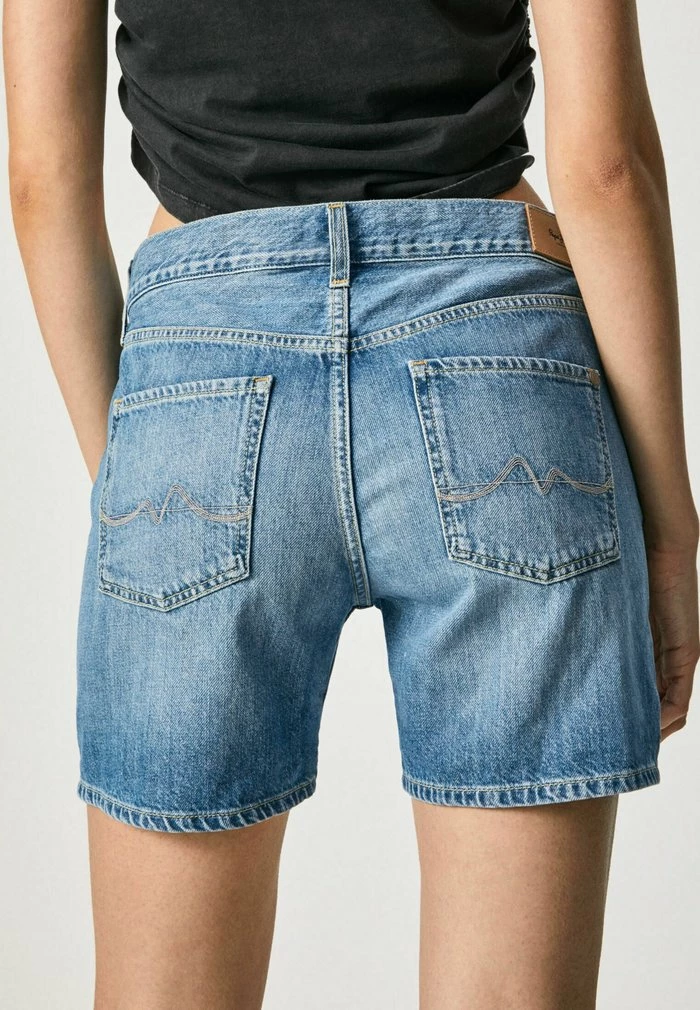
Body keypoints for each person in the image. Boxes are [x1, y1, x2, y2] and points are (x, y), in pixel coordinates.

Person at [5, 1, 698, 1007]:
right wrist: (670, 529)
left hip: (203, 358)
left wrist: (138, 476)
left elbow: (42, 179)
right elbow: (603, 166)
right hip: (495, 357)